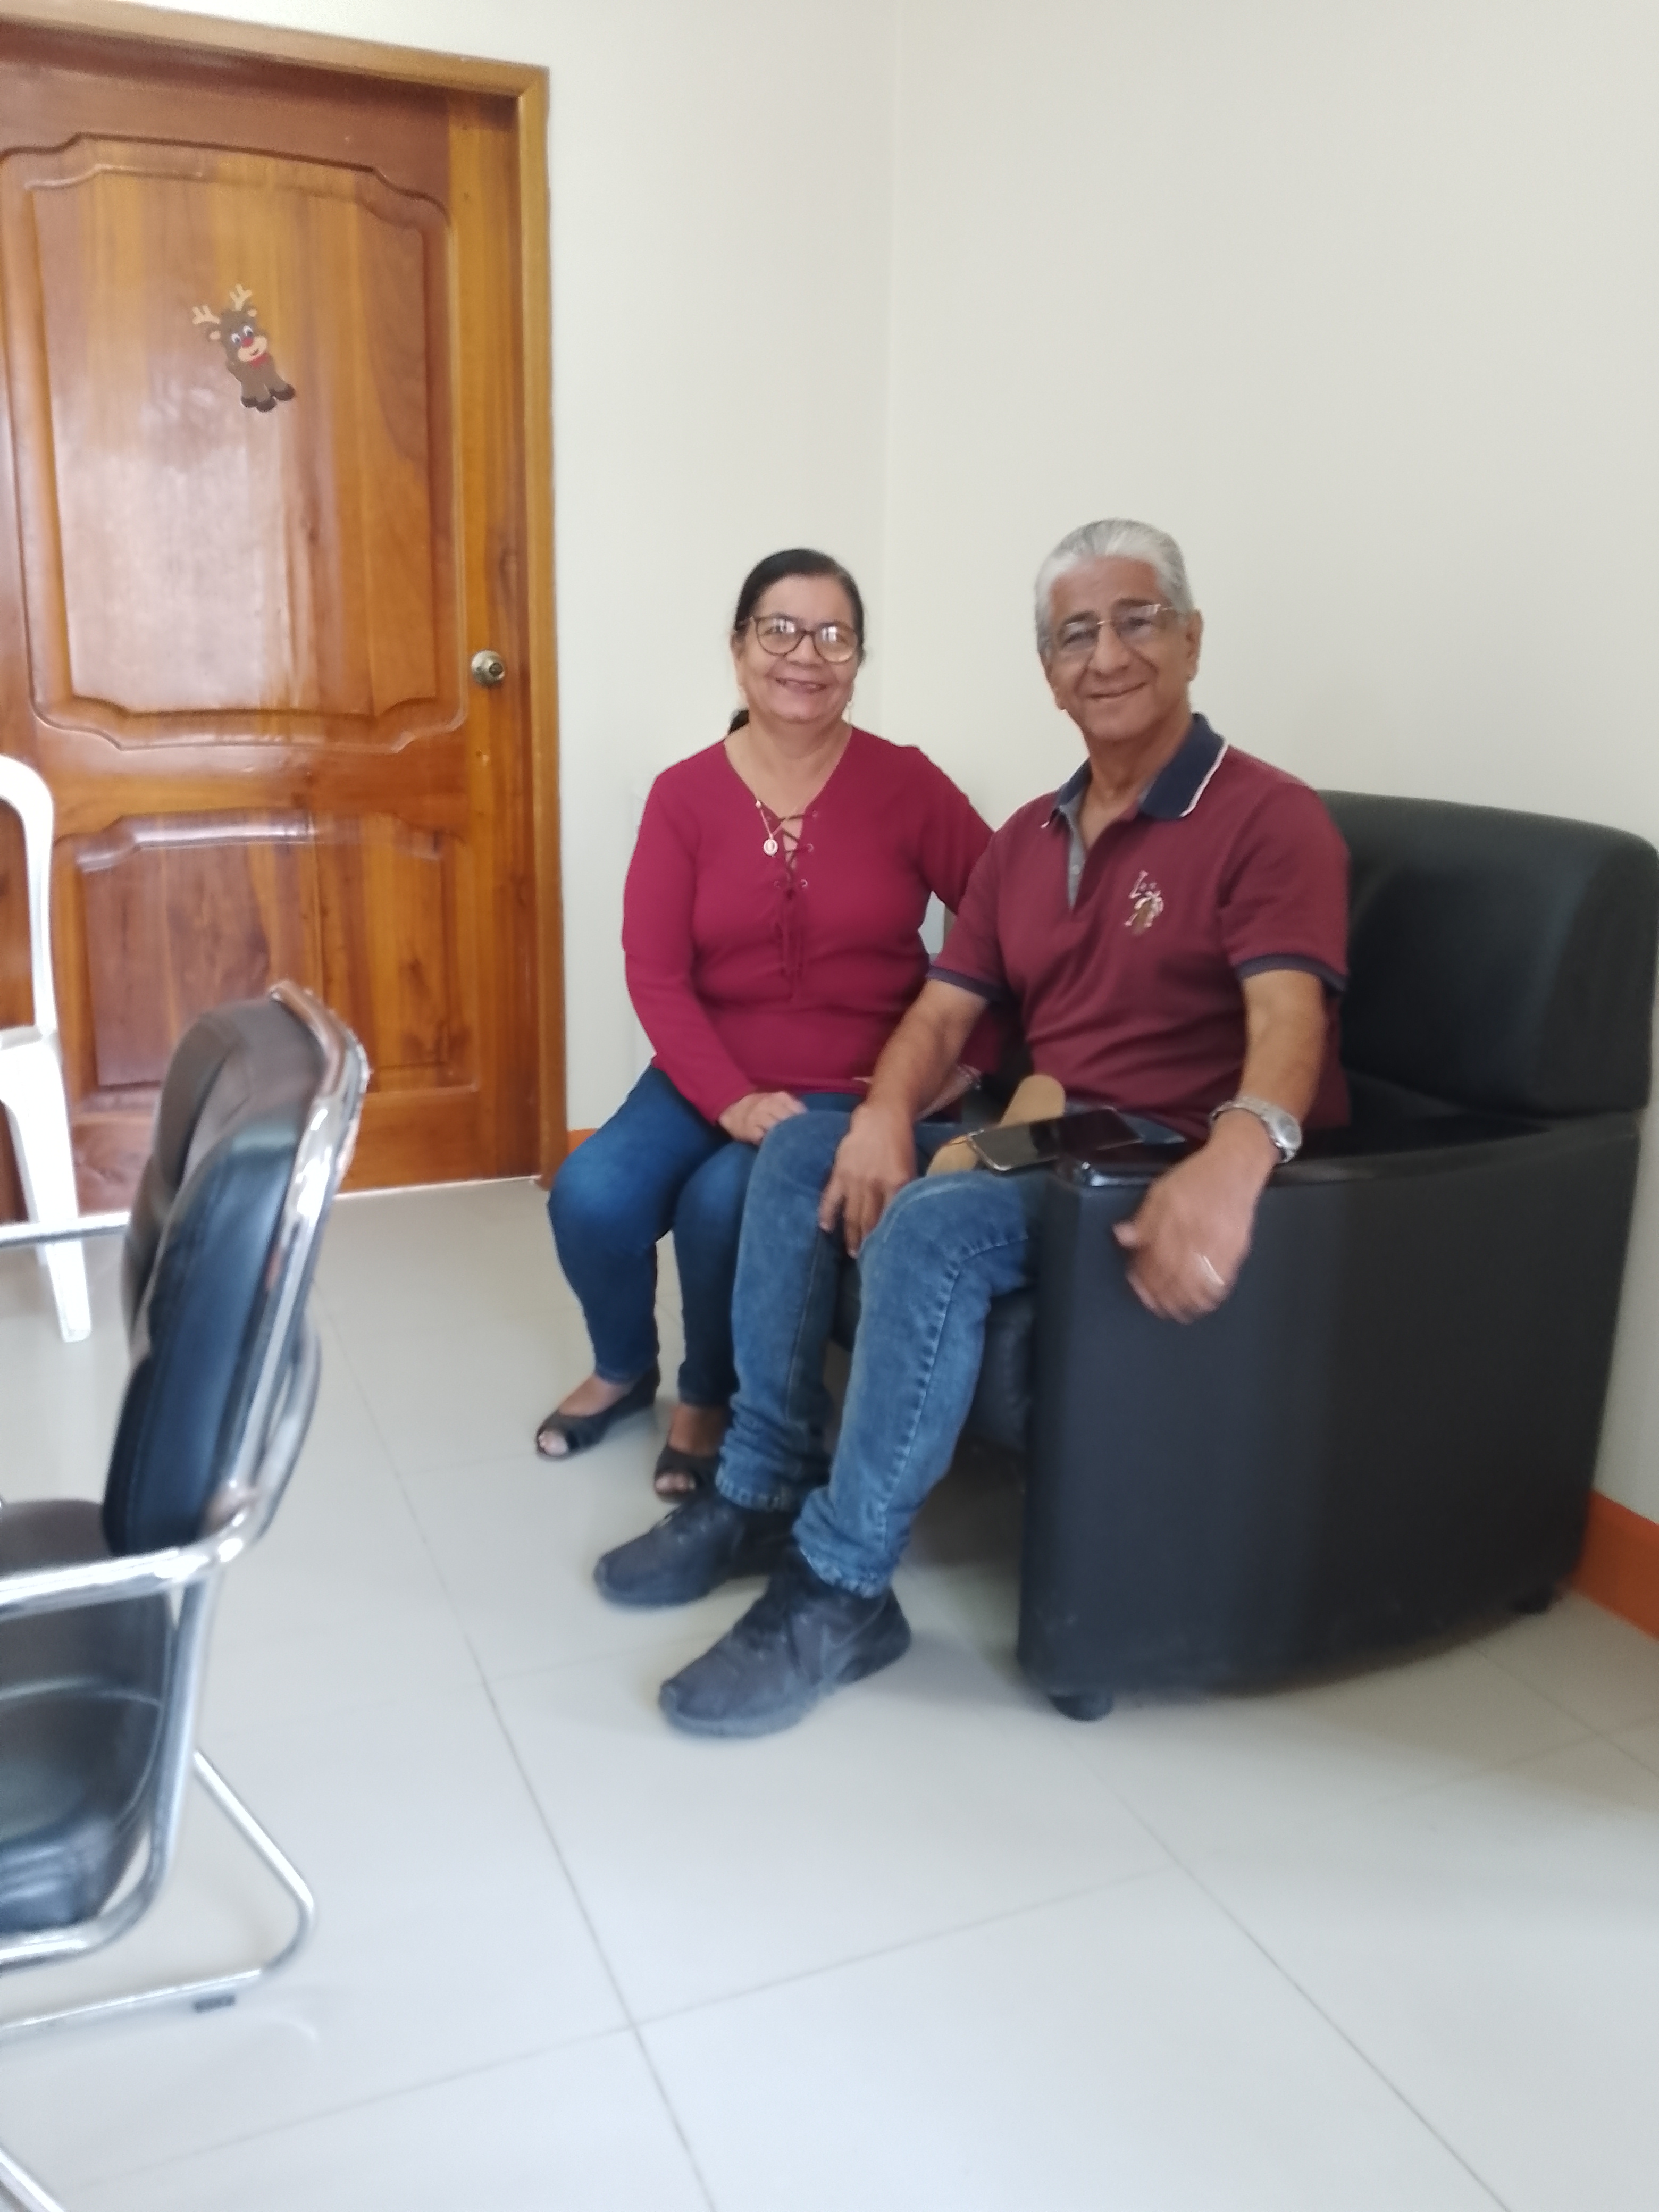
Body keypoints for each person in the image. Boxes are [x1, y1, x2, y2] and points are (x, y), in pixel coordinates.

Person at [593, 517, 1351, 1734]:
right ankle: (760, 1486)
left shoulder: (1267, 816)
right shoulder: (1033, 839)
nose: (1107, 655)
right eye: (1075, 635)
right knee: (805, 1148)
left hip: (1156, 1152)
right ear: (1049, 672)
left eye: (1137, 621)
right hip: (1057, 1134)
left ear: (1193, 639)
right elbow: (945, 1010)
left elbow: (1290, 1019)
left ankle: (843, 1589)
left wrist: (1239, 1154)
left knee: (937, 1225)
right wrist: (886, 1113)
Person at [539, 548, 994, 1497]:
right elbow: (655, 973)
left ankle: (710, 1396)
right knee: (590, 1195)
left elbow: (1006, 928)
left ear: (858, 660)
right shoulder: (684, 795)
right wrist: (729, 1098)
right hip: (707, 1068)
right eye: (779, 630)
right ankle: (626, 1367)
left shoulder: (909, 785)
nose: (806, 655)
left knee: (720, 1202)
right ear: (740, 648)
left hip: (853, 1080)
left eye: (834, 636)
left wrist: (969, 1065)